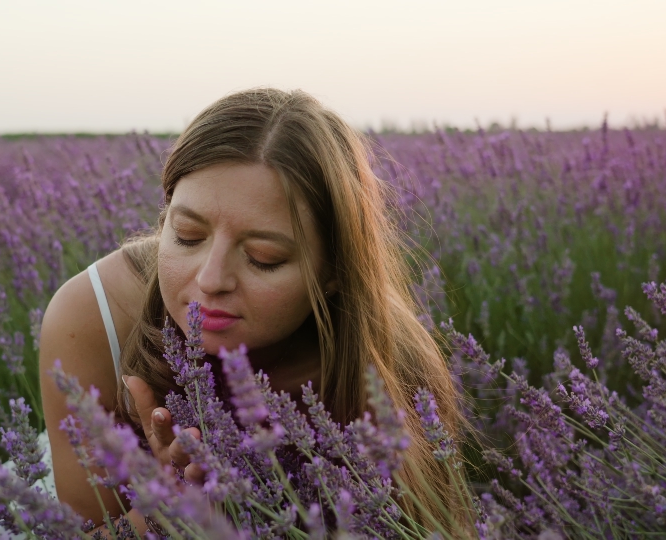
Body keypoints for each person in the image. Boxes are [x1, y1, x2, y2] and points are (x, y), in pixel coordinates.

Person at [38, 88, 467, 535]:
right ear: (163, 222)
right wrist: (160, 514)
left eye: (263, 257)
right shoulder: (93, 316)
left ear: (334, 271)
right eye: (186, 235)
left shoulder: (394, 365)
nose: (211, 278)